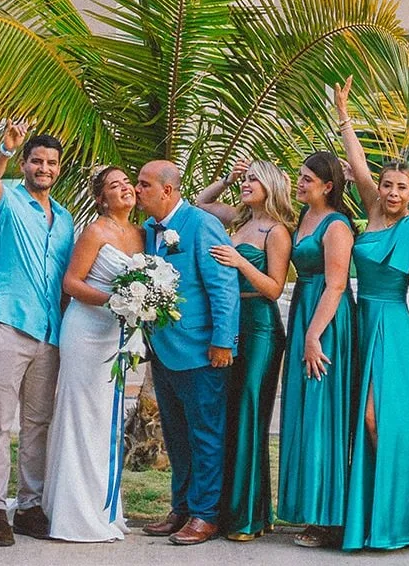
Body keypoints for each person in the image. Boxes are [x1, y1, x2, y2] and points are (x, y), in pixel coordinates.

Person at [333, 78, 409, 552]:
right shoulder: (370, 213)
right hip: (361, 321)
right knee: (362, 421)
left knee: (383, 421)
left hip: (394, 326)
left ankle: (401, 515)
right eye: (387, 184)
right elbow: (356, 159)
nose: (393, 191)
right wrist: (344, 115)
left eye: (401, 186)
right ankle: (373, 516)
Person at [134, 160, 240, 547]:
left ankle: (205, 514)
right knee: (177, 436)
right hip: (162, 351)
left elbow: (223, 285)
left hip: (202, 351)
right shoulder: (149, 230)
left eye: (145, 184)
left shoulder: (202, 224)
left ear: (168, 190)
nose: (137, 189)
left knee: (206, 435)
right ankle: (180, 508)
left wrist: (223, 341)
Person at [0, 125, 74, 547]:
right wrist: (4, 148)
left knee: (38, 422)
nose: (44, 168)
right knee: (0, 420)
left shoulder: (67, 219)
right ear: (25, 164)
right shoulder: (8, 197)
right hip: (8, 323)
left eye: (51, 163)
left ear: (59, 170)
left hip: (49, 332)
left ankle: (29, 505)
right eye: (37, 161)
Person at [42, 165, 144, 542]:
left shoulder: (140, 233)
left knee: (107, 421)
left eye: (127, 183)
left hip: (116, 336)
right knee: (81, 417)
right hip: (85, 330)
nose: (124, 189)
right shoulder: (95, 231)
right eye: (114, 186)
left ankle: (104, 508)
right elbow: (71, 282)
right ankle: (75, 515)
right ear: (101, 198)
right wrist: (116, 300)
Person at [197, 158, 294, 541]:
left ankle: (245, 518)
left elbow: (273, 287)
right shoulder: (238, 221)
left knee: (250, 415)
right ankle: (245, 510)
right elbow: (200, 205)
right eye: (246, 178)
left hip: (261, 326)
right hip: (231, 321)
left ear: (270, 185)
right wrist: (227, 178)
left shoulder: (276, 231)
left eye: (254, 179)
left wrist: (238, 260)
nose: (246, 184)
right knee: (231, 415)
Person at [276, 150, 355, 550]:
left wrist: (312, 337)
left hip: (326, 320)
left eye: (307, 178)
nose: (300, 182)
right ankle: (308, 509)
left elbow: (337, 284)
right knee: (306, 412)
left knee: (324, 414)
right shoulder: (302, 217)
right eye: (300, 176)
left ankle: (329, 518)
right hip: (304, 312)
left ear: (327, 186)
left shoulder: (337, 225)